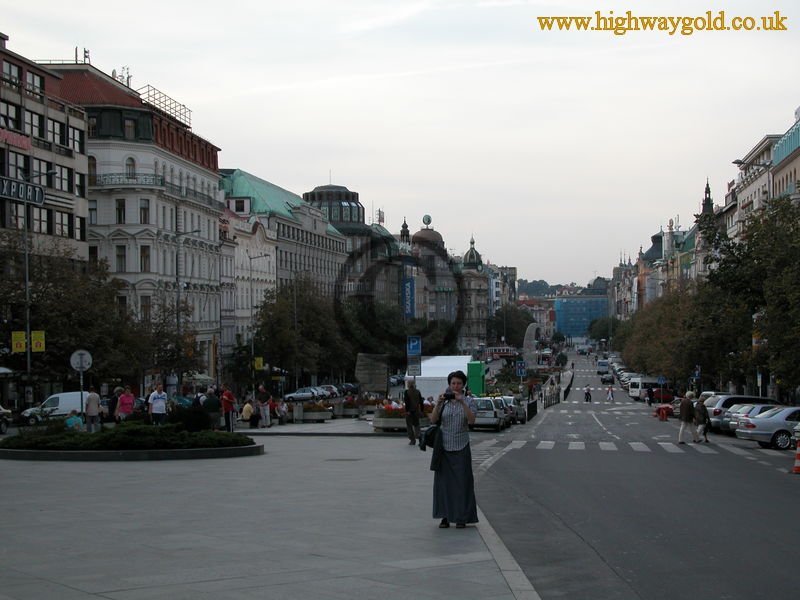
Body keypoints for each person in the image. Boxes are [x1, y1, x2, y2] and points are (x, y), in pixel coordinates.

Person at [430, 370, 478, 529]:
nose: (455, 386)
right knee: (443, 484)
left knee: (462, 483)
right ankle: (444, 516)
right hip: (444, 447)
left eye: (458, 383)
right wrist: (438, 403)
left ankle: (461, 517)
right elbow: (433, 419)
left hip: (461, 445)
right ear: (449, 385)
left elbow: (471, 421)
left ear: (463, 385)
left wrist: (462, 402)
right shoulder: (444, 401)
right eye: (453, 383)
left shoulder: (470, 401)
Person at [403, 380, 423, 446]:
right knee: (417, 425)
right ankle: (420, 439)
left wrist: (407, 410)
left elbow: (407, 402)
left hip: (410, 412)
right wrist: (421, 410)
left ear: (409, 384)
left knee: (409, 426)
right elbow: (421, 401)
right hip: (416, 411)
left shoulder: (407, 392)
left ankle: (412, 440)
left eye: (407, 383)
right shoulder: (418, 391)